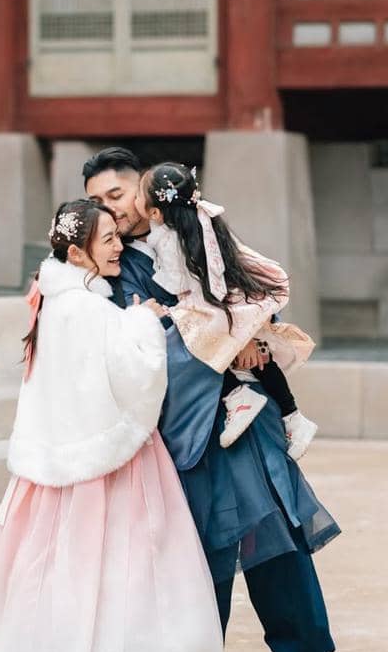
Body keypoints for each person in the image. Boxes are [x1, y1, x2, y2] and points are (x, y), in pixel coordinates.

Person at [85, 147, 340, 652]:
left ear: (144, 192)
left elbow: (245, 293)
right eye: (97, 201)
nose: (111, 208)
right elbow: (130, 346)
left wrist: (250, 333)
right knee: (196, 550)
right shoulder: (110, 265)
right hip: (178, 425)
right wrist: (223, 343)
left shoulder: (195, 232)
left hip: (244, 414)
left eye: (117, 195)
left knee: (275, 530)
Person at [0, 198, 224, 652]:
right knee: (132, 564)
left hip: (57, 458)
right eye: (108, 240)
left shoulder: (53, 303)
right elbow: (135, 375)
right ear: (78, 253)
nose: (119, 246)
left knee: (62, 571)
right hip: (111, 458)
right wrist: (145, 322)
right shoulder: (92, 310)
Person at [136, 161, 319, 460]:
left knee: (198, 341)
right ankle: (291, 416)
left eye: (136, 195)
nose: (133, 200)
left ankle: (242, 398)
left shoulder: (172, 241)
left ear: (155, 213)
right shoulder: (200, 222)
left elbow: (178, 284)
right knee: (249, 356)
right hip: (232, 299)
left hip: (217, 303)